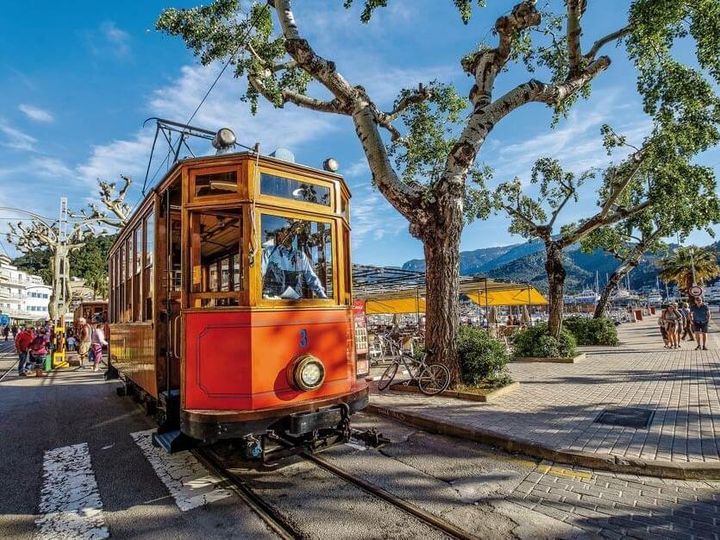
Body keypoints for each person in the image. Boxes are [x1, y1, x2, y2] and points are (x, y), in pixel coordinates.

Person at [261, 223, 328, 299]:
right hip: (273, 302)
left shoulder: (300, 255)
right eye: (287, 232)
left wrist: (322, 296)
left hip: (295, 302)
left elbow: (311, 278)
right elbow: (260, 274)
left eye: (293, 233)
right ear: (280, 234)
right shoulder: (269, 252)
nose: (291, 234)